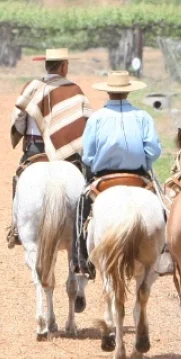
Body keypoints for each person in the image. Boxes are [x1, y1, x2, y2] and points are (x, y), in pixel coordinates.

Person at [73, 70, 162, 277]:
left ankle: (80, 260)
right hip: (138, 176)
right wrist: (145, 162)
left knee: (81, 206)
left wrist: (96, 165)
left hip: (104, 177)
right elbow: (154, 150)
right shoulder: (143, 116)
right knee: (161, 208)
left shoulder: (96, 118)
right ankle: (165, 250)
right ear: (128, 93)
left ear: (108, 93)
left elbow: (88, 154)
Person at [8, 48, 91, 247]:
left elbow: (19, 119)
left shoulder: (32, 87)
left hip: (35, 149)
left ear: (46, 65)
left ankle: (16, 227)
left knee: (19, 178)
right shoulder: (74, 90)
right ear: (63, 67)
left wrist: (25, 129)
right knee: (86, 183)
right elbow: (86, 121)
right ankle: (86, 225)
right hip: (66, 154)